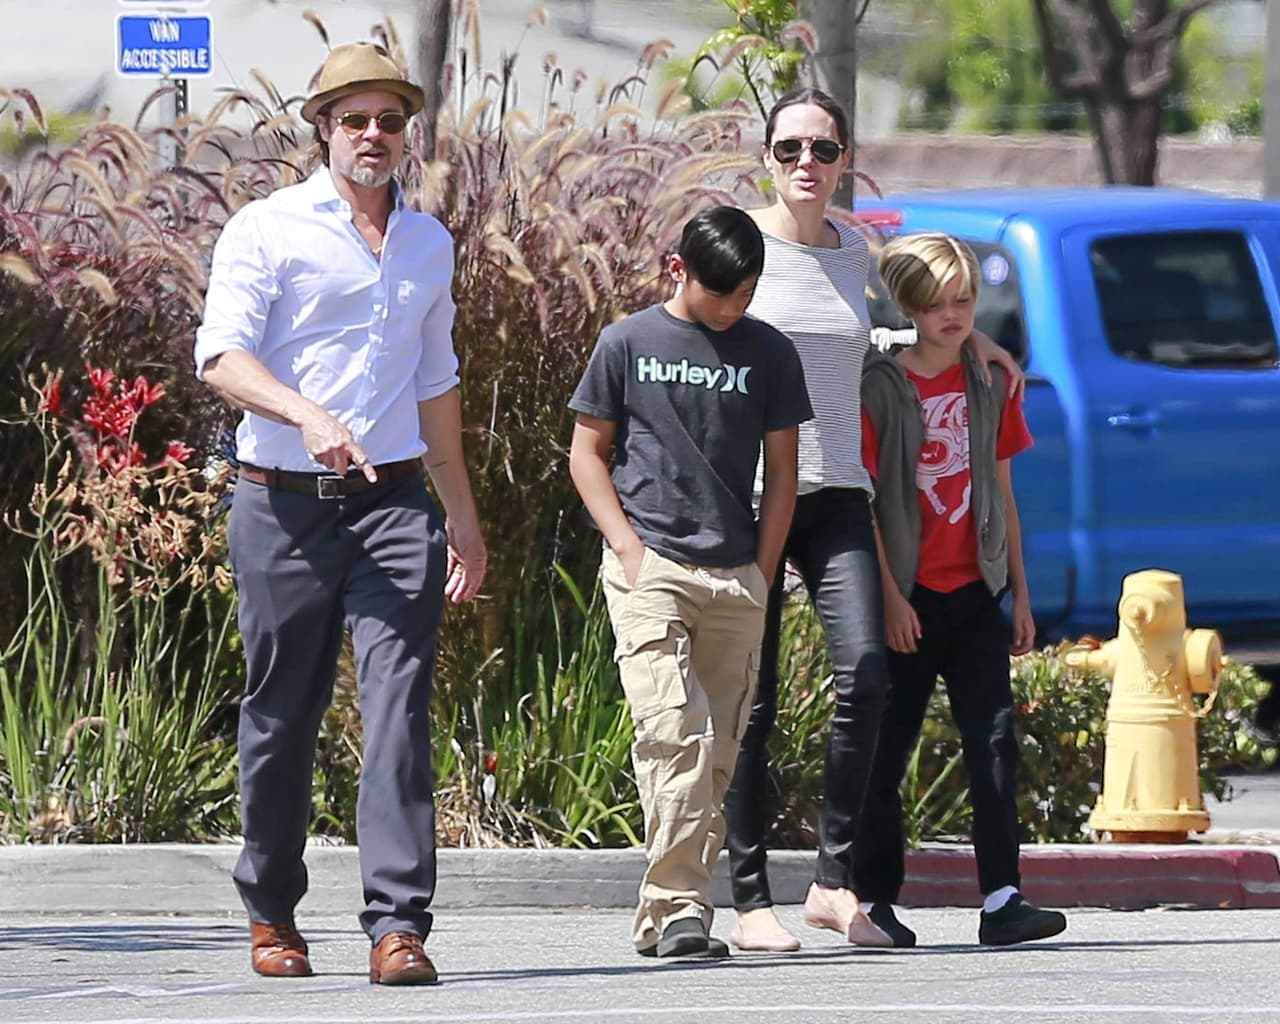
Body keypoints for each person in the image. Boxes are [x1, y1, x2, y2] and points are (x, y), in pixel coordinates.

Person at [193, 42, 487, 985]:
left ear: (408, 133)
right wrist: (306, 412)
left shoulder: (429, 243)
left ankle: (398, 927)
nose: (373, 136)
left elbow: (436, 386)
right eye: (354, 119)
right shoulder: (267, 229)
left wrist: (464, 518)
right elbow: (221, 358)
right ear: (321, 127)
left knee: (401, 711)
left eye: (390, 121)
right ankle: (271, 912)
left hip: (396, 504)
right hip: (278, 507)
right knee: (283, 714)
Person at [722, 87, 1025, 953]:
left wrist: (976, 344)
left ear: (846, 157)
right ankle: (748, 899)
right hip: (753, 497)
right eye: (789, 151)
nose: (806, 165)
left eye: (822, 150)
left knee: (866, 674)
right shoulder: (741, 245)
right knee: (755, 699)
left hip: (837, 491)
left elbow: (869, 345)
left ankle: (830, 881)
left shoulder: (856, 253)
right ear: (766, 158)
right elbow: (693, 336)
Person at [568, 206, 813, 958]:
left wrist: (764, 573)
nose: (735, 306)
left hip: (736, 571)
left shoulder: (769, 353)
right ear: (678, 272)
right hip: (653, 566)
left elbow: (782, 474)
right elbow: (586, 453)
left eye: (747, 291)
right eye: (722, 292)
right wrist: (628, 549)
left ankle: (669, 913)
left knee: (719, 751)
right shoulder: (628, 342)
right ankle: (678, 910)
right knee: (673, 732)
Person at [853, 231, 1066, 946]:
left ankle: (1003, 898)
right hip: (909, 596)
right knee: (889, 749)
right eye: (937, 302)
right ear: (910, 305)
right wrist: (887, 595)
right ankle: (875, 897)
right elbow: (868, 500)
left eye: (965, 299)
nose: (953, 314)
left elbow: (1003, 488)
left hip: (976, 592)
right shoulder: (881, 386)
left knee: (995, 744)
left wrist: (1022, 595)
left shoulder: (991, 380)